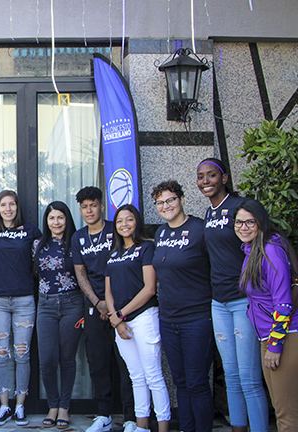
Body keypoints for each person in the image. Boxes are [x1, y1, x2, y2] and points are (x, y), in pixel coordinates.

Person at [196, 158, 269, 432]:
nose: (205, 181)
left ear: (224, 178)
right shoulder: (209, 213)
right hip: (219, 303)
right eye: (200, 176)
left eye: (211, 175)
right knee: (232, 376)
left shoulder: (241, 207)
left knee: (250, 378)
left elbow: (269, 242)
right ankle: (238, 427)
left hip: (243, 301)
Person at [70, 186, 136, 432]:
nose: (89, 210)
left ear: (102, 206)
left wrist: (113, 306)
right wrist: (97, 302)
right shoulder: (78, 238)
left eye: (93, 205)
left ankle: (131, 416)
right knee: (98, 363)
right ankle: (104, 415)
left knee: (126, 363)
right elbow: (80, 273)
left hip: (123, 306)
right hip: (94, 307)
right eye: (84, 207)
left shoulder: (115, 229)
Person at [151, 181, 214, 432]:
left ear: (182, 200)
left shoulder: (200, 229)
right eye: (160, 202)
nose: (165, 206)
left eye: (170, 200)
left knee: (197, 382)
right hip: (168, 319)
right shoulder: (160, 233)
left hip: (197, 318)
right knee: (181, 381)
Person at [105, 204, 170, 432]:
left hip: (144, 317)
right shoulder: (113, 254)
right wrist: (117, 320)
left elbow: (149, 289)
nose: (124, 224)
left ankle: (163, 426)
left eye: (129, 219)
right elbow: (108, 292)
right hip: (121, 323)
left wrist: (121, 315)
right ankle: (142, 426)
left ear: (137, 222)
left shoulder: (146, 248)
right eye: (120, 221)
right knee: (136, 376)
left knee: (153, 376)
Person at [234, 199, 298, 431]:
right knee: (281, 408)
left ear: (261, 222)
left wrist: (275, 345)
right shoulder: (252, 250)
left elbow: (283, 304)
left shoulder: (271, 250)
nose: (243, 227)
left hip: (284, 336)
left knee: (286, 413)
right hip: (268, 336)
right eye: (239, 222)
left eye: (250, 222)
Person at [0, 190, 40, 427]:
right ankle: (4, 406)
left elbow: (48, 248)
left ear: (17, 207)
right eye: (3, 205)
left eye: (12, 204)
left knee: (22, 354)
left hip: (24, 300)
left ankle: (20, 406)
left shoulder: (30, 230)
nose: (8, 209)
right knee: (1, 353)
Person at [33, 201, 83, 430]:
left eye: (60, 217)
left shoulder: (76, 242)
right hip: (45, 306)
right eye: (52, 218)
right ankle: (52, 405)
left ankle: (64, 406)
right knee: (47, 359)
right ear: (46, 221)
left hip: (72, 304)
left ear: (67, 219)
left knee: (67, 359)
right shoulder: (37, 244)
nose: (56, 222)